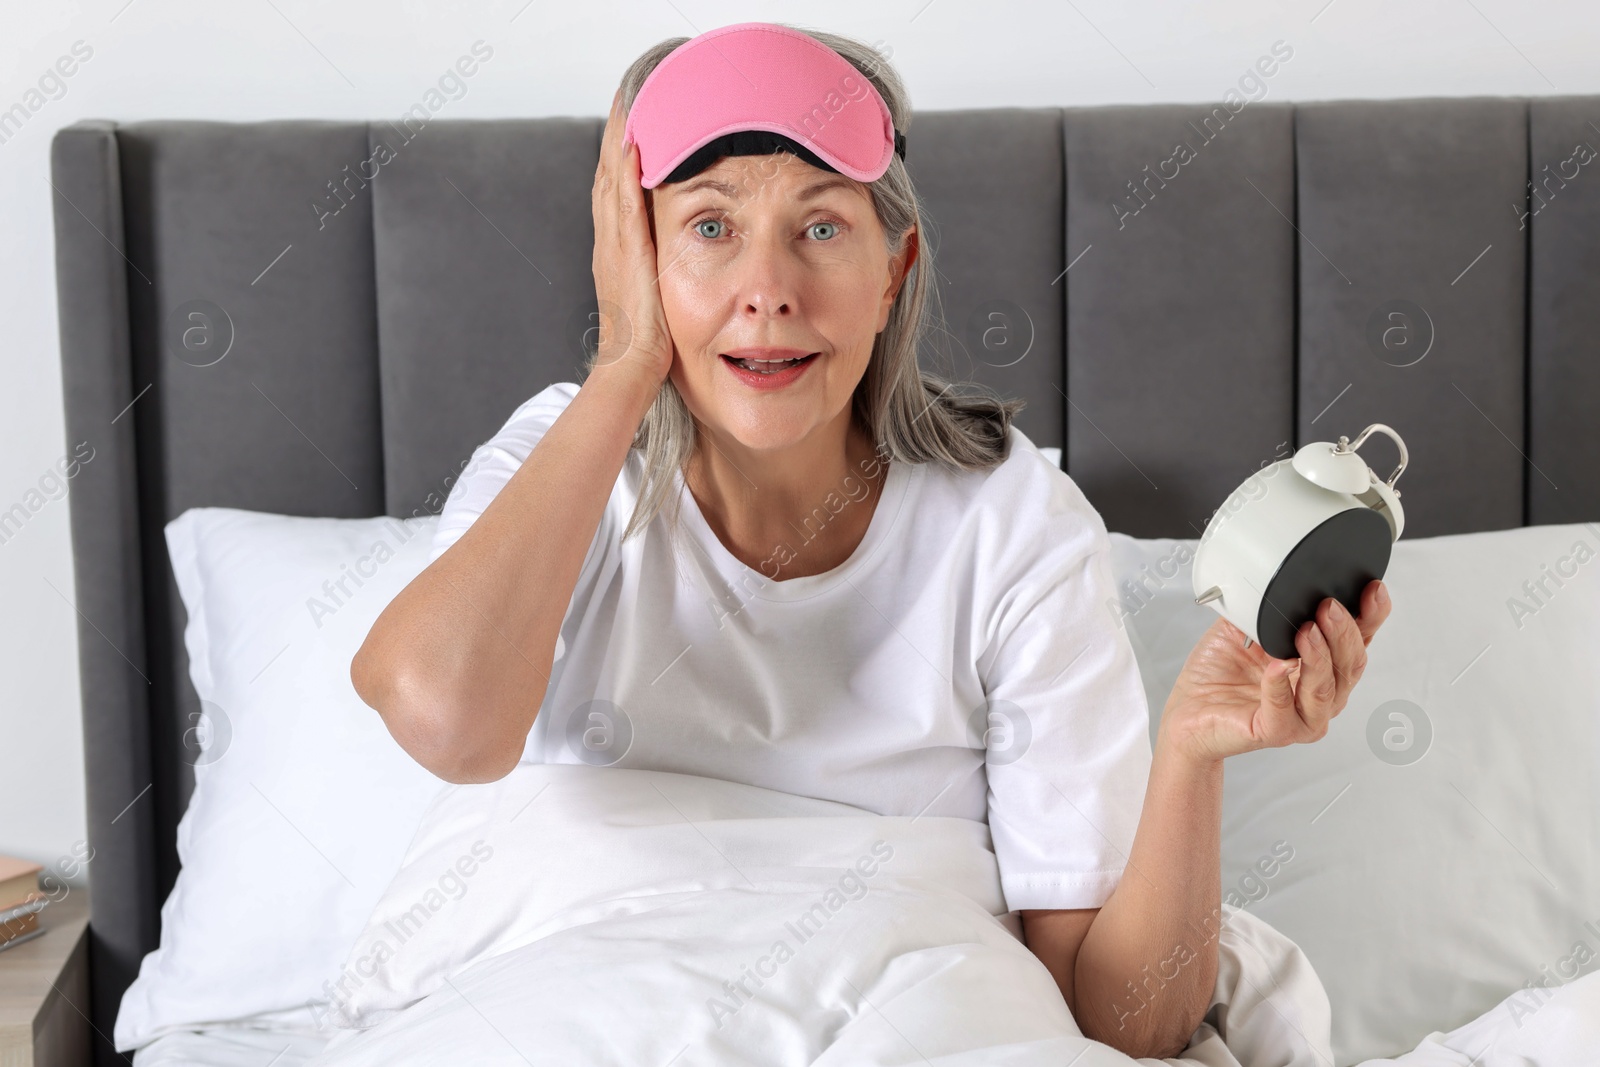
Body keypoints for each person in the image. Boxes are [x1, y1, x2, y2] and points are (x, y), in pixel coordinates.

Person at [350, 21, 1392, 1060]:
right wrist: (625, 361)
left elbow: (1124, 1022)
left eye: (819, 228)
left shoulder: (1011, 519)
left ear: (894, 268)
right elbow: (450, 722)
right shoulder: (560, 461)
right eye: (708, 227)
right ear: (636, 257)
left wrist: (1191, 756)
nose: (768, 289)